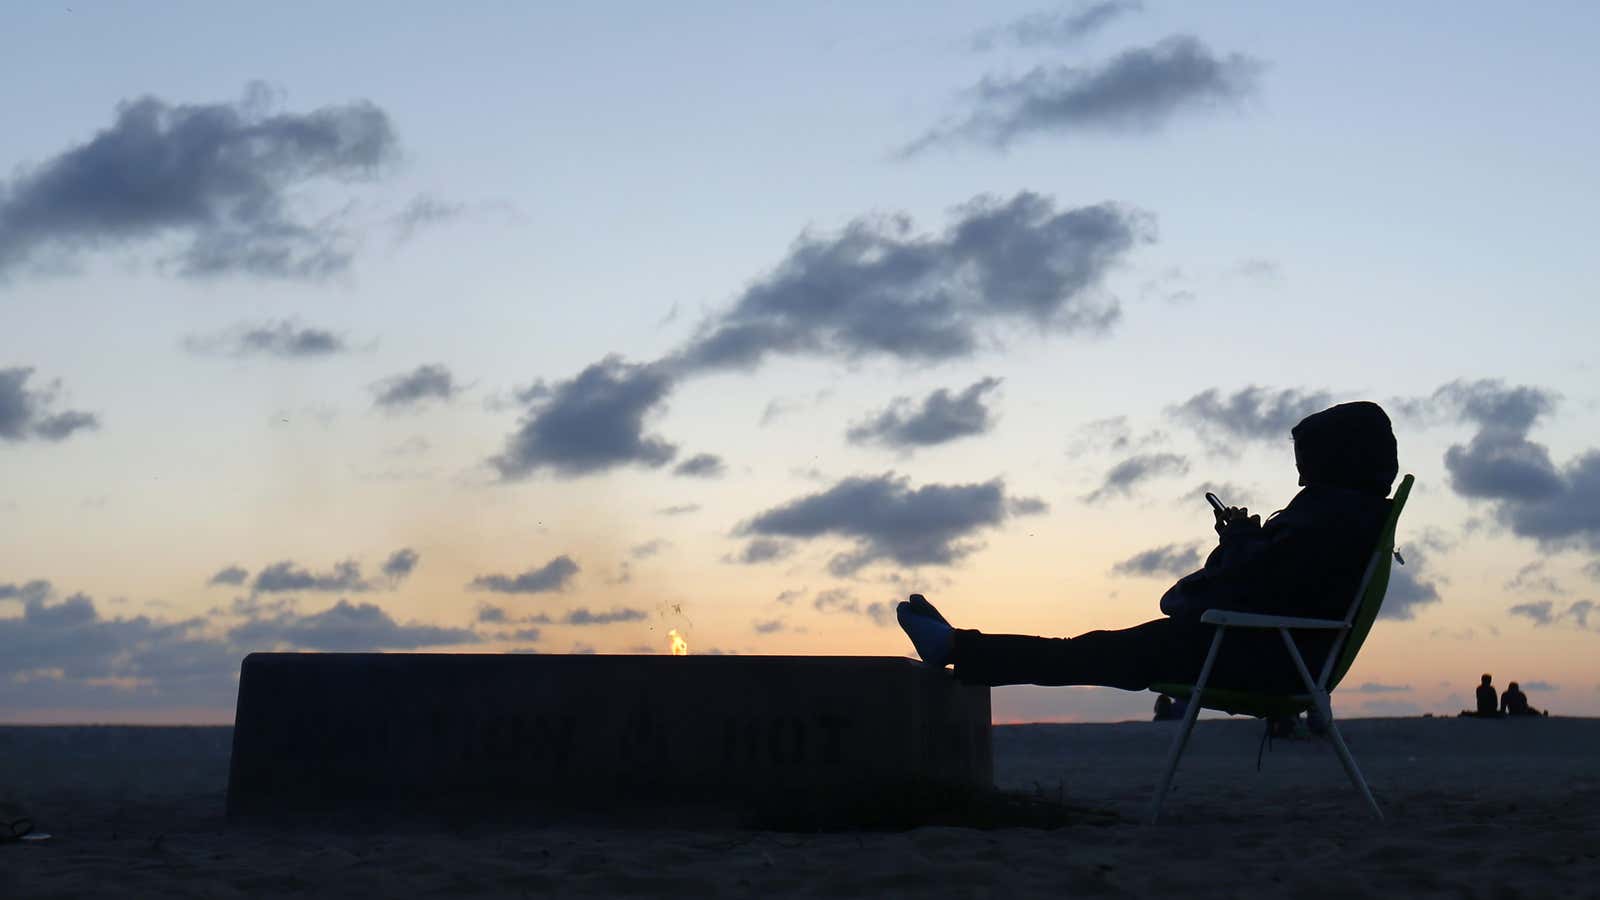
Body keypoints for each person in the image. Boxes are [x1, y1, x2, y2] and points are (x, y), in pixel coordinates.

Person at [896, 401, 1397, 698]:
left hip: (1260, 656)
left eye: (1306, 459)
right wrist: (1245, 543)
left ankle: (959, 648)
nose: (1300, 471)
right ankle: (961, 646)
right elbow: (1280, 580)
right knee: (1089, 651)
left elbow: (1256, 588)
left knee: (1086, 654)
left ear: (1337, 456)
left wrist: (1241, 545)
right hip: (1266, 648)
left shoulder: (1332, 513)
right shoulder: (1350, 510)